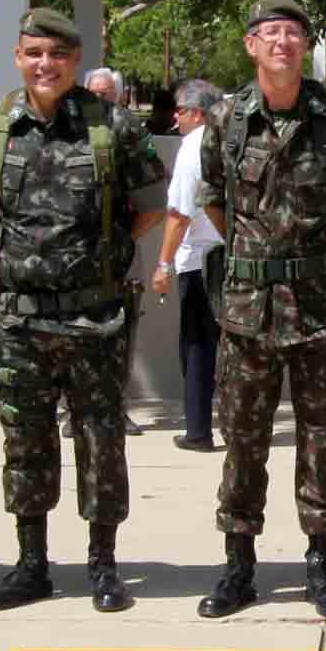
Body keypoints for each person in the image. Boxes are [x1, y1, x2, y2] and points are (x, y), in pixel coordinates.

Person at [0, 9, 166, 612]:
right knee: (24, 443)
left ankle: (103, 564)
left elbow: (147, 206)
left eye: (57, 54)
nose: (44, 64)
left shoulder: (115, 127)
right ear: (18, 58)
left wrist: (95, 258)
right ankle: (31, 564)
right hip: (18, 319)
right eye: (33, 53)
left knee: (101, 442)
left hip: (93, 317)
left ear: (75, 61)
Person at [195, 0, 326, 620]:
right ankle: (237, 567)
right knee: (242, 439)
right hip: (247, 313)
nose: (282, 43)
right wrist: (260, 259)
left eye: (293, 34)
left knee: (321, 440)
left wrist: (307, 261)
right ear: (251, 45)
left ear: (306, 47)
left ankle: (323, 568)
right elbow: (216, 204)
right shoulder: (223, 120)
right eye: (270, 33)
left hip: (318, 310)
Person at [150, 78, 225, 453]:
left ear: (196, 113)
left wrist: (163, 263)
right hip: (238, 257)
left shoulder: (193, 146)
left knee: (197, 346)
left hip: (199, 260)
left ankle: (198, 430)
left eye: (179, 111)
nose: (175, 118)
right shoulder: (235, 139)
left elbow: (178, 215)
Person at [85, 65, 145, 438]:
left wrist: (121, 242)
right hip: (72, 259)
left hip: (119, 255)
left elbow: (149, 201)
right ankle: (72, 414)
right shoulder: (68, 129)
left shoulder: (127, 131)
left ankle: (117, 409)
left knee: (122, 334)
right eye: (93, 92)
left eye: (106, 93)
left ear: (119, 96)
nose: (99, 99)